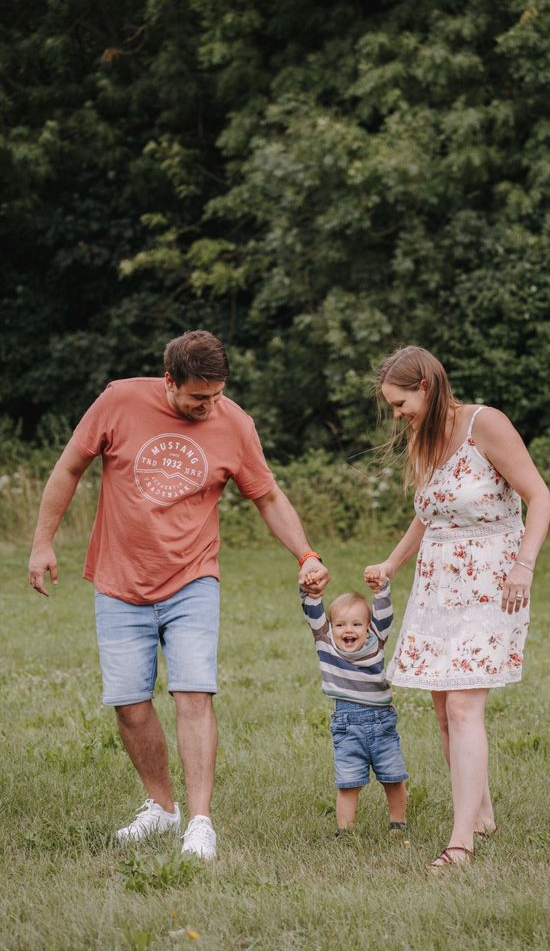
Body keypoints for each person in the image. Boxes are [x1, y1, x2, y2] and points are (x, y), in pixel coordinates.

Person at [28, 330, 330, 860]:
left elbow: (267, 496)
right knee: (128, 704)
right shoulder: (119, 400)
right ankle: (162, 809)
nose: (209, 406)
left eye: (216, 395)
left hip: (193, 578)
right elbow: (69, 467)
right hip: (120, 580)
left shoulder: (233, 422)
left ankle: (199, 822)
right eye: (198, 398)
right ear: (170, 381)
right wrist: (42, 543)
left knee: (194, 693)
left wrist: (306, 554)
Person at [366, 345, 550, 869]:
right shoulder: (424, 436)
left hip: (494, 580)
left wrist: (525, 564)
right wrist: (393, 564)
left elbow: (539, 497)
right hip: (437, 586)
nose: (397, 415)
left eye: (401, 403)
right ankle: (483, 814)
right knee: (445, 712)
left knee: (466, 708)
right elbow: (429, 514)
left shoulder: (484, 424)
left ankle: (461, 841)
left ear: (425, 386)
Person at [300, 566, 408, 837]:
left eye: (357, 624)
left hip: (382, 722)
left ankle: (398, 823)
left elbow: (384, 614)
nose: (348, 630)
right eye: (340, 625)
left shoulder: (377, 641)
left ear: (369, 628)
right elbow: (312, 613)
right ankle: (345, 831)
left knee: (393, 778)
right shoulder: (326, 644)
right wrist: (310, 591)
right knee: (348, 783)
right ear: (331, 628)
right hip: (347, 725)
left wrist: (381, 589)